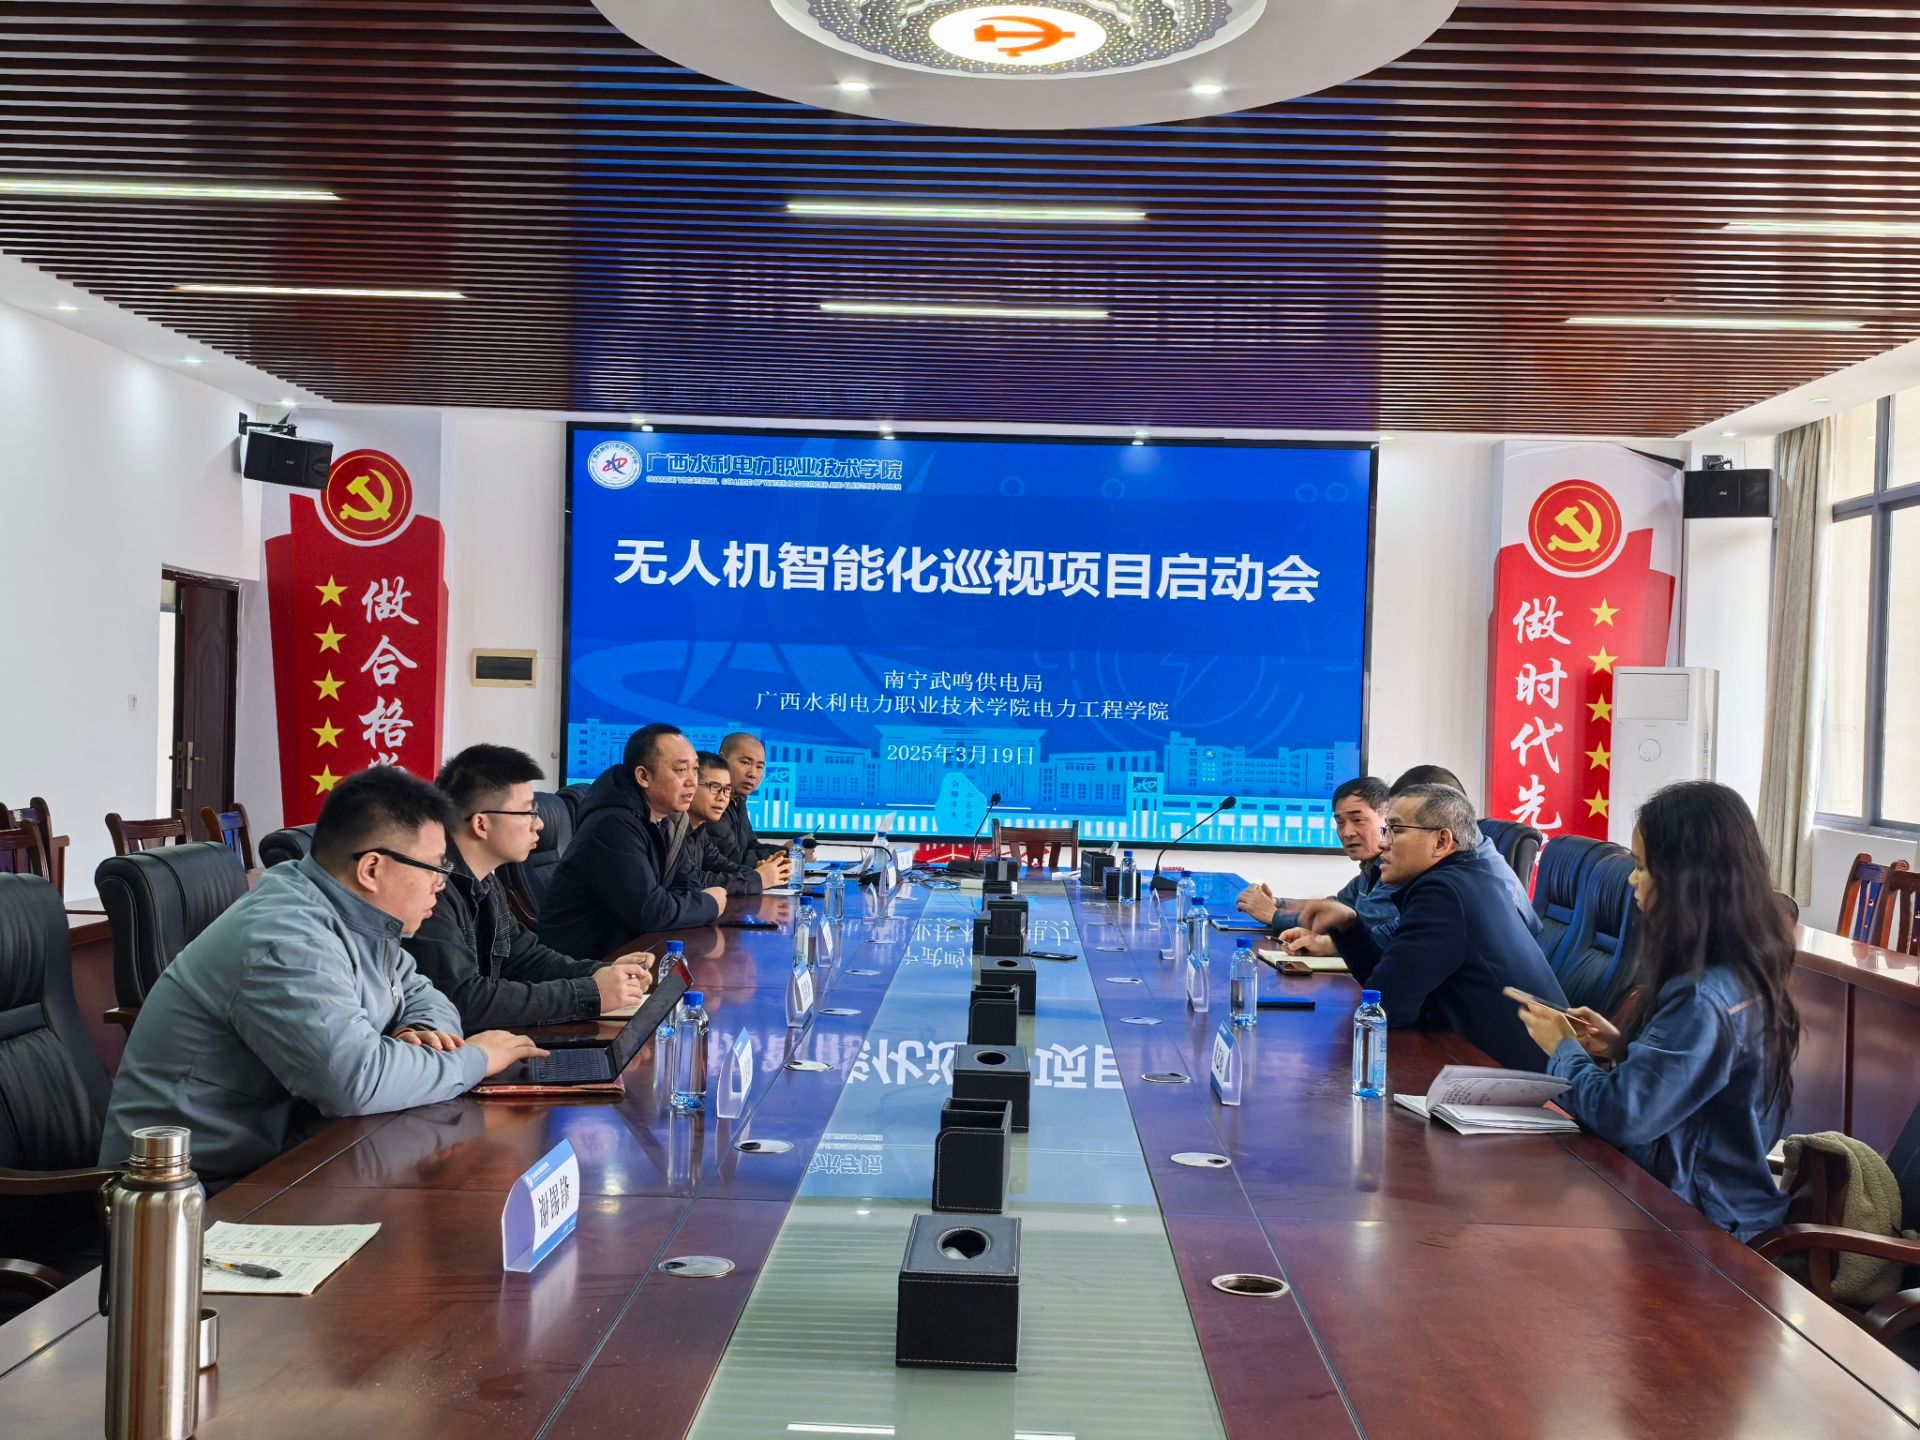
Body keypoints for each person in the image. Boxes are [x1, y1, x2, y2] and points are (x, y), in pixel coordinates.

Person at [97, 768, 547, 1184]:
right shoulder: (285, 938)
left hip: (294, 1155)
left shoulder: (356, 914)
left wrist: (424, 1031)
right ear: (372, 869)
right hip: (194, 1190)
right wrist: (476, 1059)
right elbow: (355, 1083)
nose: (441, 884)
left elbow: (424, 993)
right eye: (435, 868)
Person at [1515, 782, 1799, 1239]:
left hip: (1701, 1229)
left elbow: (1623, 1116)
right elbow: (1693, 1082)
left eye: (1643, 867)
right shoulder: (1742, 968)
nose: (1632, 879)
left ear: (1688, 878)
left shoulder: (1705, 995)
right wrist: (1619, 1045)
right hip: (1696, 1202)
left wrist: (1563, 1048)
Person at [1299, 783, 1567, 1071]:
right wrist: (1349, 925)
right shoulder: (1460, 879)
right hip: (1508, 1067)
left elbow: (1387, 1007)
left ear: (1441, 842)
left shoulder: (1444, 894)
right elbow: (1387, 983)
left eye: (1395, 830)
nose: (1384, 843)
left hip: (1522, 1084)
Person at [402, 744, 654, 1032]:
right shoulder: (431, 893)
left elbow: (526, 959)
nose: (540, 824)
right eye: (528, 812)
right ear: (481, 824)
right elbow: (464, 1001)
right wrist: (590, 994)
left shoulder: (487, 882)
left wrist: (606, 974)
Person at [538, 723, 729, 957]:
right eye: (681, 770)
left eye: (695, 770)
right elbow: (650, 912)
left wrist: (682, 904)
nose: (692, 781)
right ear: (643, 776)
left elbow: (688, 885)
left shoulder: (668, 820)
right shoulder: (612, 825)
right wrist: (710, 904)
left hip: (635, 950)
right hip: (588, 963)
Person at [1237, 776, 1394, 956]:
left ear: (1387, 819)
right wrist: (1278, 903)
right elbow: (1334, 905)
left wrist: (1273, 915)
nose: (1347, 832)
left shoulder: (1395, 872)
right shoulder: (1368, 870)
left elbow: (1359, 929)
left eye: (1357, 820)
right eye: (1340, 822)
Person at [1389, 764, 1542, 935]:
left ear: (1441, 838)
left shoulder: (1451, 891)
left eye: (1396, 828)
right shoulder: (1464, 857)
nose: (1384, 843)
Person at [684, 750, 790, 894]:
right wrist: (757, 879)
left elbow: (722, 864)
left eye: (727, 789)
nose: (722, 798)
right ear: (690, 786)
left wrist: (759, 873)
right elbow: (693, 880)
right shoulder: (673, 828)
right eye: (715, 787)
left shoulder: (699, 829)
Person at [706, 730, 801, 876]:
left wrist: (786, 851)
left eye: (759, 767)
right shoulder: (712, 803)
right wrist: (786, 852)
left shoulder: (738, 799)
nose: (752, 774)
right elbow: (734, 859)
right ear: (722, 760)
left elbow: (750, 845)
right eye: (745, 762)